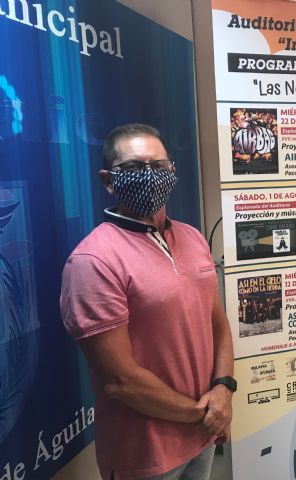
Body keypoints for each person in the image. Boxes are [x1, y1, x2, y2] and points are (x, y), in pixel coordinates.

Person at [60, 123, 236, 480]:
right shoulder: (93, 261)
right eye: (133, 167)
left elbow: (217, 324)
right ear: (108, 180)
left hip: (201, 438)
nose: (149, 175)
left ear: (172, 171)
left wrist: (223, 388)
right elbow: (121, 380)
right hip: (144, 454)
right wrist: (204, 415)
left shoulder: (192, 237)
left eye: (158, 166)